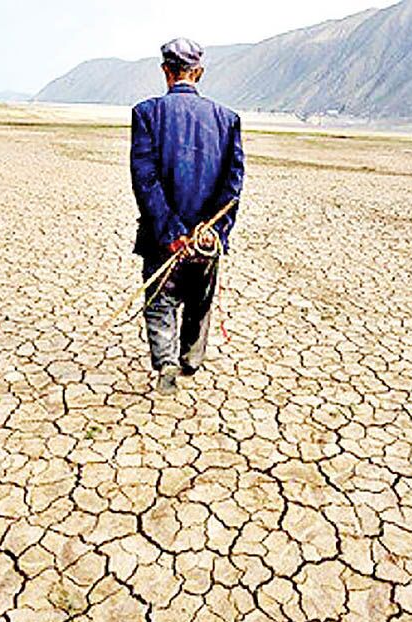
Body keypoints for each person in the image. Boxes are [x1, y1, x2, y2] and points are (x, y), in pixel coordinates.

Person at [130, 37, 245, 395]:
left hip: (162, 237)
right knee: (199, 297)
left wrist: (172, 232)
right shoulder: (227, 120)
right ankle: (190, 360)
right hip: (206, 240)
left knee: (160, 300)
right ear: (199, 72)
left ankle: (165, 361)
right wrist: (212, 232)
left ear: (166, 71)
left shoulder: (146, 113)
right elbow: (233, 183)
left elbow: (145, 180)